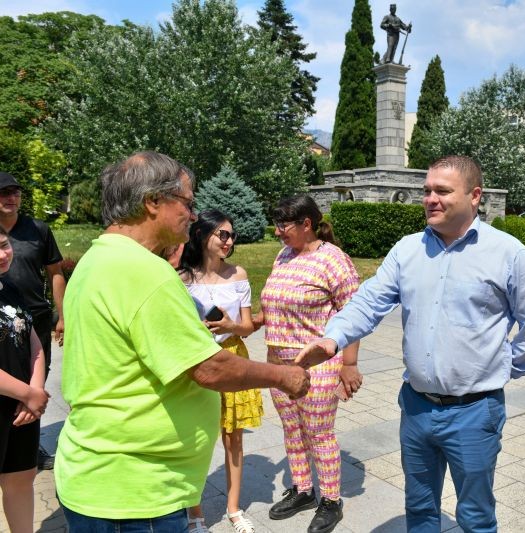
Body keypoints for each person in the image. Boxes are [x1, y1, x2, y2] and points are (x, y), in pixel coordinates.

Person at [55, 151, 310, 531]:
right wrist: (284, 376)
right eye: (187, 203)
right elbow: (209, 368)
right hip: (136, 495)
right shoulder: (144, 273)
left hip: (103, 480)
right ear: (152, 202)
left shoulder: (97, 260)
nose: (192, 215)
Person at [296, 156, 525, 532]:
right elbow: (368, 302)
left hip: (474, 412)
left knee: (476, 516)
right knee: (419, 509)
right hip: (416, 408)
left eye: (442, 191)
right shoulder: (408, 250)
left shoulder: (508, 254)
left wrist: (500, 367)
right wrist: (334, 338)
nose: (430, 199)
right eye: (427, 190)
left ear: (475, 195)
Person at [260, 195, 361, 533]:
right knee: (292, 429)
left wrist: (349, 364)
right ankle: (303, 490)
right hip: (278, 364)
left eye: (283, 225)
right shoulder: (284, 255)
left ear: (306, 224)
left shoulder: (334, 260)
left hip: (317, 364)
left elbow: (354, 314)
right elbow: (272, 305)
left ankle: (331, 500)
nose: (277, 231)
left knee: (318, 433)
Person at [178, 210, 262, 533]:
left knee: (233, 438)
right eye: (222, 234)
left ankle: (234, 509)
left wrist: (230, 326)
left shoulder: (238, 274)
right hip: (197, 359)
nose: (229, 241)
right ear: (202, 235)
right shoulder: (182, 278)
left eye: (231, 235)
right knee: (195, 438)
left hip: (232, 357)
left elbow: (247, 327)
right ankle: (195, 513)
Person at [0, 171, 65, 470]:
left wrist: (62, 316)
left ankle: (27, 447)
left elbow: (56, 273)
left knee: (34, 382)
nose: (11, 198)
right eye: (4, 193)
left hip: (34, 320)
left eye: (15, 192)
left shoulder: (37, 229)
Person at [0, 226, 49, 533]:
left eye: (4, 245)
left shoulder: (10, 286)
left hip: (21, 409)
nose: (2, 254)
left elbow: (33, 344)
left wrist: (36, 390)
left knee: (21, 478)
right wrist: (28, 395)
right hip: (18, 400)